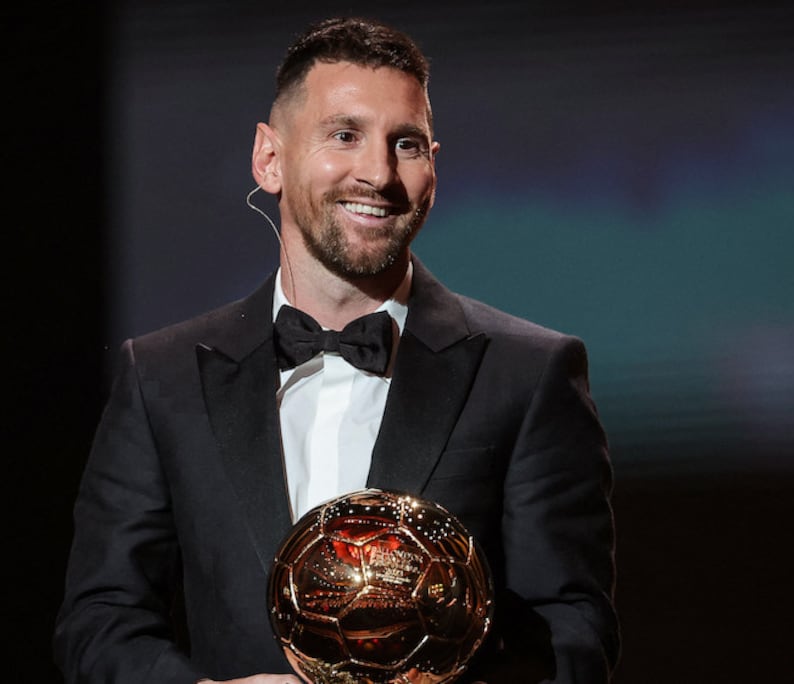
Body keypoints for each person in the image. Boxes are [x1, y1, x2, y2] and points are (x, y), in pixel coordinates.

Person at [54, 17, 619, 684]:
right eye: (344, 135)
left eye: (405, 144)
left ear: (432, 165)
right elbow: (99, 623)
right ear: (269, 159)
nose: (377, 173)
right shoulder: (162, 378)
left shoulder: (528, 373)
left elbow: (573, 640)